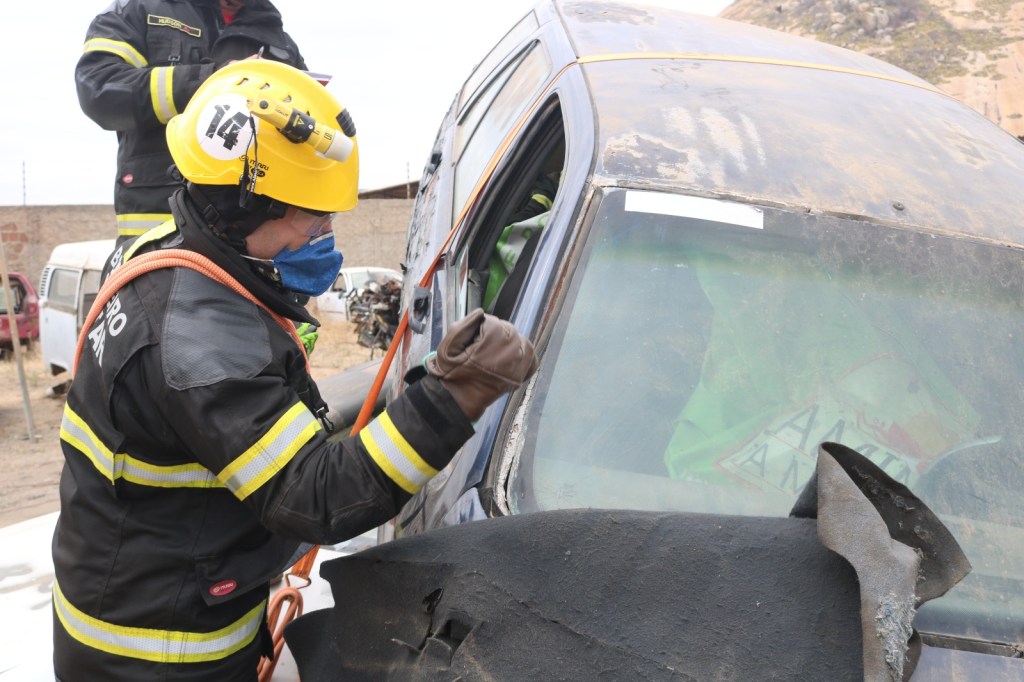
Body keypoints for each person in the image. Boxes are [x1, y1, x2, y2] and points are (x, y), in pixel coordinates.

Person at [51, 60, 538, 681]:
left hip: (136, 604)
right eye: (315, 218)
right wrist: (456, 393)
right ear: (246, 204)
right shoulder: (200, 344)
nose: (327, 237)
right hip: (156, 655)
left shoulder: (174, 258)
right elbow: (317, 497)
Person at [75, 0, 306, 244]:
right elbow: (98, 90)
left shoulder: (278, 39)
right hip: (161, 227)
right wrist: (211, 82)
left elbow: (307, 122)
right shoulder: (138, 9)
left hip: (252, 230)